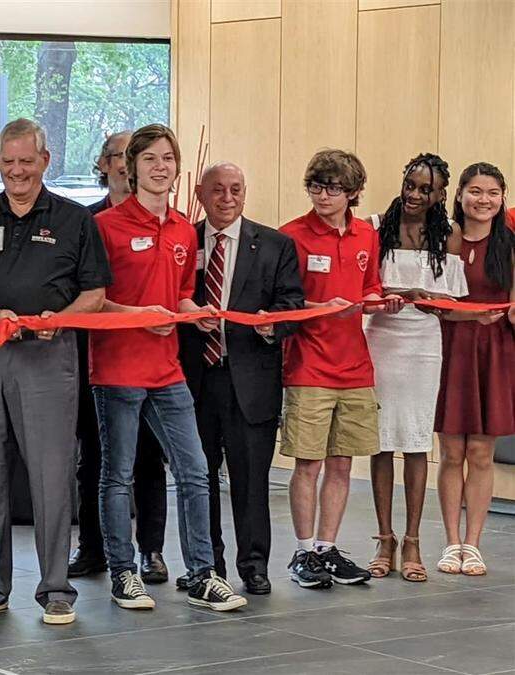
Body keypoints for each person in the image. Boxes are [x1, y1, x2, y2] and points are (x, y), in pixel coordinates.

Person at [0, 118, 110, 626]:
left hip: (49, 355)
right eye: (8, 161)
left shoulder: (74, 220)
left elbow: (95, 293)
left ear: (45, 160)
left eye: (26, 161)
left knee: (51, 475)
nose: (16, 171)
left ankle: (56, 589)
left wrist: (60, 319)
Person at [91, 124, 247, 613]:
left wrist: (193, 312)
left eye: (168, 159)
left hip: (167, 370)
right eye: (150, 159)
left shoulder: (183, 229)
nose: (161, 167)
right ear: (131, 167)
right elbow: (93, 302)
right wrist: (140, 316)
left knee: (196, 471)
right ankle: (123, 573)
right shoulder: (106, 226)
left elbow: (179, 294)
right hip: (117, 370)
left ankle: (201, 574)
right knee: (118, 476)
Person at [177, 162, 304, 596]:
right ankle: (205, 565)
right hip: (194, 379)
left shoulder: (274, 245)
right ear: (200, 193)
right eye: (217, 190)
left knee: (251, 481)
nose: (227, 198)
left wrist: (272, 324)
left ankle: (254, 565)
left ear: (245, 193)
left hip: (250, 380)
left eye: (235, 189)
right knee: (198, 479)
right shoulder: (183, 242)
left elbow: (292, 304)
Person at [279, 149, 404, 590]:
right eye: (316, 186)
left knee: (341, 463)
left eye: (333, 188)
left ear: (352, 192)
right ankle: (302, 551)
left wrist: (380, 301)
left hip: (355, 367)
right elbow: (283, 301)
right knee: (308, 464)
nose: (323, 196)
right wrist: (321, 306)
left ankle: (327, 548)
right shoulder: (291, 235)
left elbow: (369, 287)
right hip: (308, 364)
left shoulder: (366, 234)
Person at [71, 130, 170, 584]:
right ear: (104, 163)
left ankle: (151, 550)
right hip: (98, 360)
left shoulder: (165, 222)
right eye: (118, 156)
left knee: (149, 458)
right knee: (94, 457)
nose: (126, 164)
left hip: (152, 361)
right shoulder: (86, 221)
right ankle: (93, 548)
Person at [364, 154, 466, 583]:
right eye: (411, 184)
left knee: (417, 442)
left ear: (441, 195)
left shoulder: (450, 233)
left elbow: (453, 302)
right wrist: (394, 294)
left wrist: (429, 301)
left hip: (424, 343)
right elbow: (363, 288)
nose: (415, 194)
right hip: (380, 339)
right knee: (382, 441)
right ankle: (384, 539)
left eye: (426, 189)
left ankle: (412, 541)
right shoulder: (374, 226)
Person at [434, 162, 515, 577]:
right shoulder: (444, 239)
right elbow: (435, 305)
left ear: (502, 199)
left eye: (493, 193)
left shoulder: (509, 244)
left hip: (495, 352)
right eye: (476, 191)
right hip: (450, 349)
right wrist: (468, 316)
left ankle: (474, 544)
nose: (484, 200)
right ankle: (451, 542)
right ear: (460, 194)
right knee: (452, 452)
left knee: (481, 452)